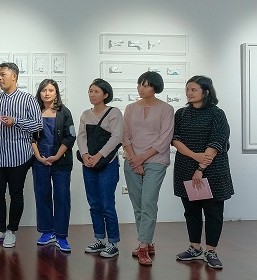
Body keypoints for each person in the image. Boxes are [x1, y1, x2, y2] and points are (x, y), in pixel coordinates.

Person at [172, 76, 233, 269]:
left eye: (193, 90)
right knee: (191, 211)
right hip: (185, 167)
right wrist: (194, 156)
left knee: (213, 212)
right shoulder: (181, 113)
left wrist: (200, 168)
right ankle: (195, 248)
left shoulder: (217, 113)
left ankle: (211, 250)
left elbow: (218, 140)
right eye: (187, 89)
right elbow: (175, 139)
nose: (189, 93)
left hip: (213, 169)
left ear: (206, 92)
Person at [0, 62, 42, 248]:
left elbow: (38, 125)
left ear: (14, 76)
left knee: (16, 194)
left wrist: (16, 121)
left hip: (20, 156)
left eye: (3, 75)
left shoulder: (28, 99)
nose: (0, 78)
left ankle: (11, 231)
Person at [122, 71, 175, 266]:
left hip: (156, 160)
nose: (141, 89)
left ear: (155, 87)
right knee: (138, 204)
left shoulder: (166, 109)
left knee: (148, 202)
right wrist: (134, 159)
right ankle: (147, 241)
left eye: (146, 85)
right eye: (139, 84)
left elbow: (165, 138)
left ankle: (143, 246)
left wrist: (142, 158)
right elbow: (124, 135)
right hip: (132, 159)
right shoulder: (130, 108)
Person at [78, 78, 123, 258]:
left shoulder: (114, 112)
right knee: (94, 204)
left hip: (107, 164)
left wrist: (98, 156)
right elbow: (81, 137)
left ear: (105, 94)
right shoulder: (85, 114)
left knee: (107, 204)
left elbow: (117, 137)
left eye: (96, 91)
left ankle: (113, 242)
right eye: (90, 91)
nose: (92, 94)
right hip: (88, 163)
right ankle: (99, 239)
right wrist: (85, 155)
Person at [31, 79, 76, 252]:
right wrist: (39, 157)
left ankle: (61, 236)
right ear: (40, 93)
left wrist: (56, 156)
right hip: (40, 161)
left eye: (51, 90)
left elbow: (70, 136)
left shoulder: (65, 112)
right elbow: (30, 136)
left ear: (56, 92)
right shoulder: (35, 111)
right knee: (42, 196)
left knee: (62, 197)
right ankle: (47, 232)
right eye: (44, 90)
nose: (47, 93)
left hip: (61, 161)